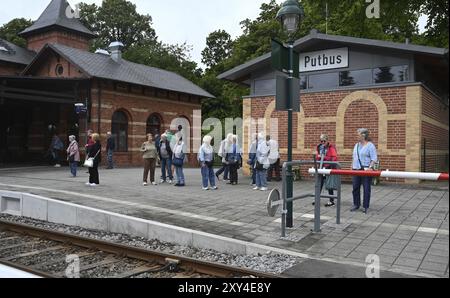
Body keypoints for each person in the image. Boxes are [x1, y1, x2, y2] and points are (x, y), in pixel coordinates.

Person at [351, 128, 378, 214]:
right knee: (355, 188)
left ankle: (365, 206)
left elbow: (374, 158)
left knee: (366, 188)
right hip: (356, 170)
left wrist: (370, 167)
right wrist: (351, 167)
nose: (356, 136)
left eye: (358, 134)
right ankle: (356, 204)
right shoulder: (356, 145)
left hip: (366, 170)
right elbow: (354, 157)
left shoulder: (370, 145)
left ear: (363, 135)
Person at [314, 134, 339, 207]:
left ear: (327, 140)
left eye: (324, 141)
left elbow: (334, 158)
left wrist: (324, 158)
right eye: (321, 141)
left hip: (328, 167)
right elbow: (317, 156)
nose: (322, 142)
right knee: (319, 184)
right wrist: (318, 157)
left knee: (329, 184)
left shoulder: (331, 147)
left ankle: (331, 201)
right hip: (321, 167)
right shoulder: (319, 147)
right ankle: (317, 200)